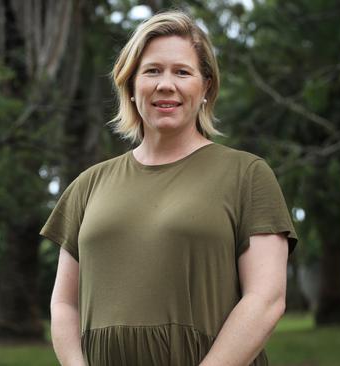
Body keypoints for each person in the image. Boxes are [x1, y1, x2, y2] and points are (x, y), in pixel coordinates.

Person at [42, 9, 298, 366]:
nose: (166, 84)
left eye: (182, 71)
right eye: (152, 71)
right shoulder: (88, 185)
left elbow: (266, 299)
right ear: (131, 85)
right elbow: (64, 302)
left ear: (205, 86)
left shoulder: (247, 174)